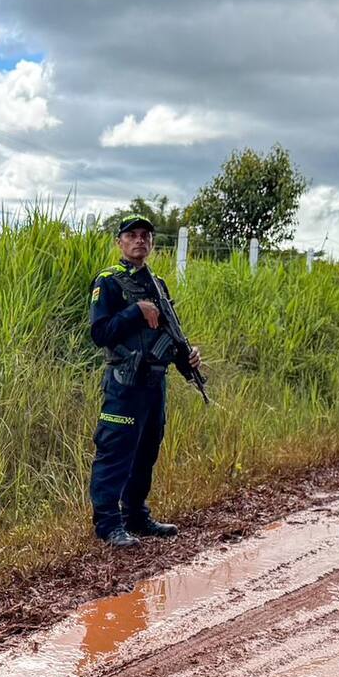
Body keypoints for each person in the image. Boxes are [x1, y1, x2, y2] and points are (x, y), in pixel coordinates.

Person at [87, 214, 201, 549]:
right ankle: (108, 525)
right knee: (115, 451)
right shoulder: (107, 281)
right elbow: (100, 333)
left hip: (154, 382)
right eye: (132, 235)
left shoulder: (158, 283)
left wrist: (187, 357)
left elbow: (170, 333)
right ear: (119, 242)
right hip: (124, 383)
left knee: (146, 451)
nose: (140, 240)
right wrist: (135, 311)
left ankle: (136, 516)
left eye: (146, 236)